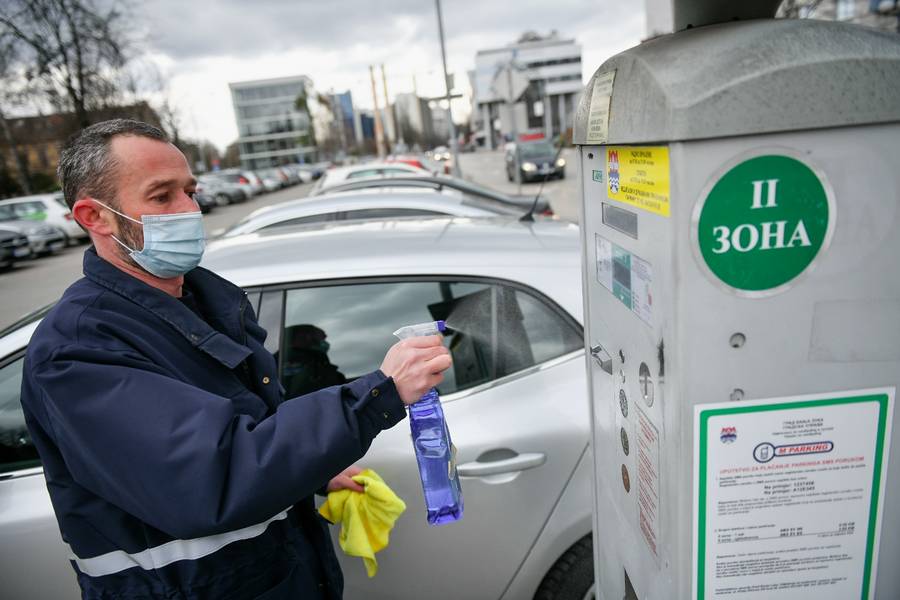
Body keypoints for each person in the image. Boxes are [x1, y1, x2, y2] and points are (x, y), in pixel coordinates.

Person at [20, 119, 452, 600]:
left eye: (190, 191)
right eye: (162, 197)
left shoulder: (203, 304)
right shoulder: (78, 350)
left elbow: (251, 433)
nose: (189, 210)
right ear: (93, 217)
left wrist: (308, 473)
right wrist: (377, 394)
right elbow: (215, 478)